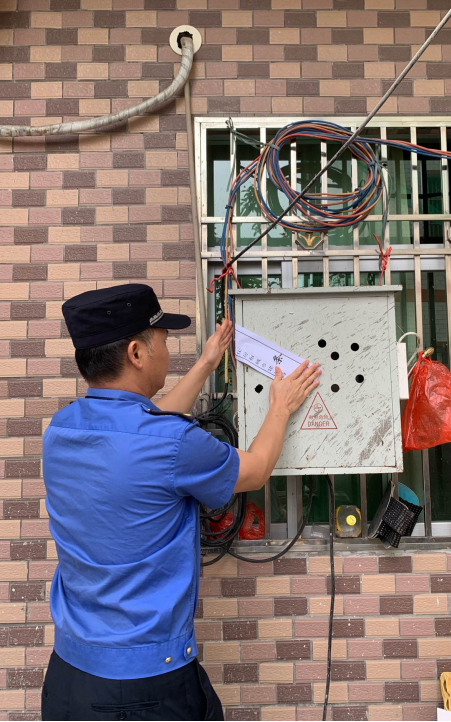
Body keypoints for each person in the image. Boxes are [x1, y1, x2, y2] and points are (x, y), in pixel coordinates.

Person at [41, 283, 321, 722]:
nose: (168, 351)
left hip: (68, 677)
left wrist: (207, 363)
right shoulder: (173, 444)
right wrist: (281, 407)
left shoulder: (62, 429)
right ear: (137, 352)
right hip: (143, 691)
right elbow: (255, 470)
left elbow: (149, 427)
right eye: (164, 341)